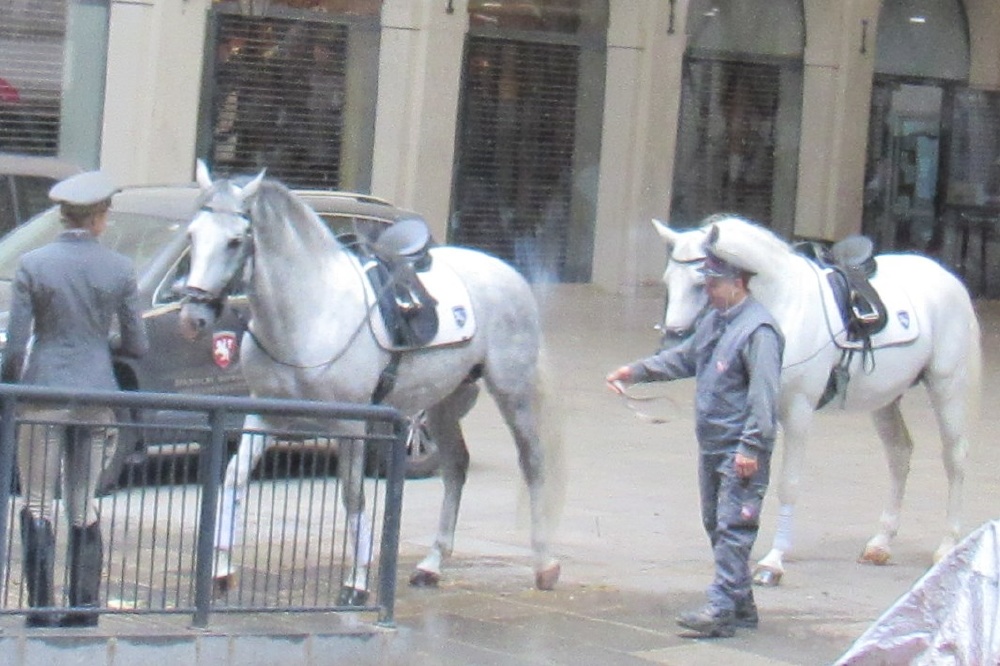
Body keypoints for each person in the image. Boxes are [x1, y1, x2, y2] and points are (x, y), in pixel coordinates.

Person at [605, 249, 783, 638]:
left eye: (714, 285)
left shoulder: (759, 331)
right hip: (714, 443)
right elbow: (685, 358)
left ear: (738, 284)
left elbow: (764, 399)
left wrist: (751, 447)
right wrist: (636, 372)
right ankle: (741, 605)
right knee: (715, 524)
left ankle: (721, 607)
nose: (709, 293)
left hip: (740, 447)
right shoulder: (715, 321)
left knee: (734, 525)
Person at [1, 170, 149, 628]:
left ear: (65, 216)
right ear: (100, 217)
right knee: (83, 502)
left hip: (43, 392)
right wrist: (97, 345)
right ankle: (84, 606)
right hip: (96, 394)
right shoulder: (120, 269)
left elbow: (16, 343)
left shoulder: (33, 264)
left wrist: (13, 387)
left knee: (39, 501)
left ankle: (40, 606)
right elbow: (137, 343)